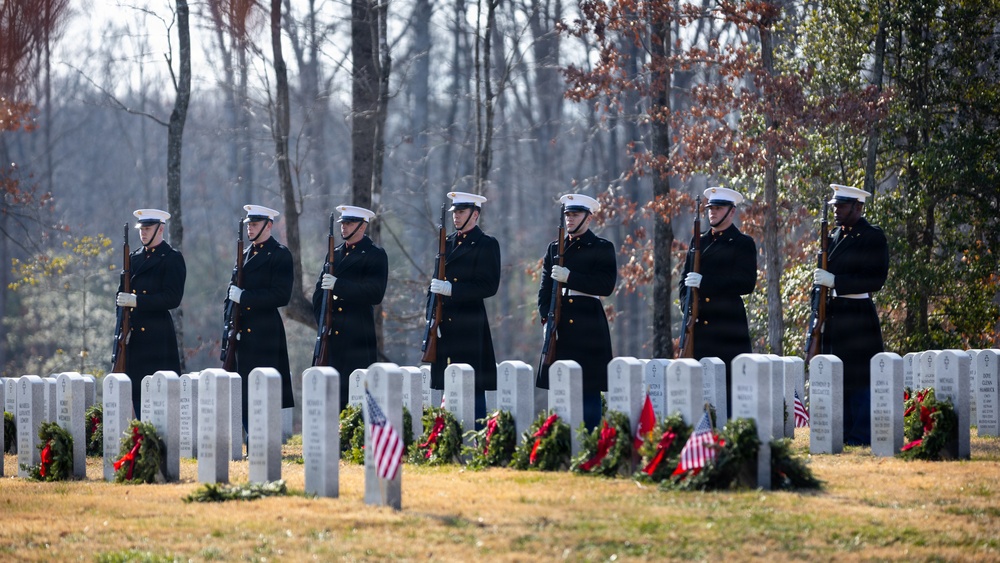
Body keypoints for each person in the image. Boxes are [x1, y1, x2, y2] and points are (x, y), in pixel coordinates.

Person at [814, 184, 888, 446]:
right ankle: (843, 432)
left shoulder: (871, 236)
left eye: (842, 206)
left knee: (859, 377)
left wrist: (836, 281)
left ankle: (861, 434)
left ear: (858, 207)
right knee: (839, 376)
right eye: (835, 206)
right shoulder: (833, 236)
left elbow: (875, 278)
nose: (836, 210)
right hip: (834, 315)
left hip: (857, 315)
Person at [536, 194, 617, 430]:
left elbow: (605, 285)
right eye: (568, 215)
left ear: (589, 218)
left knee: (588, 387)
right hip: (558, 322)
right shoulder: (554, 248)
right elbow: (543, 291)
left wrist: (571, 277)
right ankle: (560, 437)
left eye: (576, 215)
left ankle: (590, 440)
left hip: (587, 324)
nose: (570, 219)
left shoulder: (602, 247)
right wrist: (545, 321)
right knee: (559, 385)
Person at [680, 187, 758, 408]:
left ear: (731, 212)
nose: (711, 212)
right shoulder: (698, 242)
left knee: (730, 387)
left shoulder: (742, 243)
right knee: (700, 388)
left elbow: (745, 283)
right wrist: (688, 307)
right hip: (699, 327)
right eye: (710, 208)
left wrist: (706, 282)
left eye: (718, 208)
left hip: (727, 327)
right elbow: (683, 283)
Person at [427, 191, 501, 422]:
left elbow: (488, 286)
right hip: (445, 323)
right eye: (455, 212)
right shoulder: (446, 243)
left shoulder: (486, 244)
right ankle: (448, 438)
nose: (456, 217)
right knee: (448, 385)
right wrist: (431, 317)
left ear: (475, 214)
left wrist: (453, 290)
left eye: (461, 212)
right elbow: (433, 284)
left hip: (469, 324)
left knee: (472, 384)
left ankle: (476, 437)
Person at [225, 204, 295, 433]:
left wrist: (245, 297)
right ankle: (251, 438)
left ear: (268, 225)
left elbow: (281, 295)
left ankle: (262, 440)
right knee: (243, 391)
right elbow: (231, 293)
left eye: (254, 225)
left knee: (263, 390)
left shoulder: (279, 254)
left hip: (264, 332)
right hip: (241, 332)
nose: (250, 229)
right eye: (249, 225)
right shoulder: (244, 255)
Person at [311, 205, 388, 410]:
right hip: (331, 334)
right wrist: (323, 321)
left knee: (354, 393)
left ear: (362, 226)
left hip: (356, 333)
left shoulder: (374, 254)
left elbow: (375, 293)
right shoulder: (334, 254)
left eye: (349, 223)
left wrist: (339, 285)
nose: (344, 227)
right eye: (343, 223)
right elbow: (318, 295)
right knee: (329, 393)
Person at [115, 208, 186, 419]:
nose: (143, 233)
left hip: (157, 335)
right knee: (136, 391)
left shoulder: (171, 258)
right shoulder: (134, 258)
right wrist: (122, 323)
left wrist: (138, 301)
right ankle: (141, 438)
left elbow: (173, 298)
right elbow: (120, 296)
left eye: (147, 229)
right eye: (141, 229)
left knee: (158, 393)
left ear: (160, 229)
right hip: (134, 336)